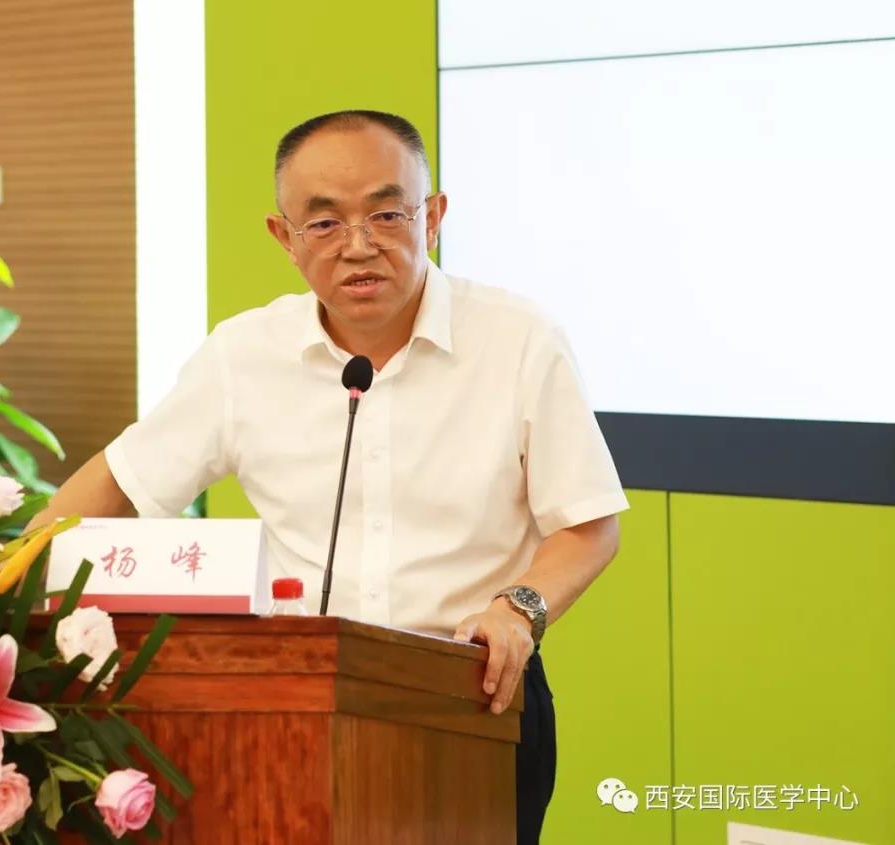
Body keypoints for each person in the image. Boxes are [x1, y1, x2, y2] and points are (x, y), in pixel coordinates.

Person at [31, 110, 628, 843]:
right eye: (323, 223)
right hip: (296, 703)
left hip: (472, 697)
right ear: (284, 238)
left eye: (386, 214)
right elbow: (118, 483)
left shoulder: (519, 339)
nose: (359, 245)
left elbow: (590, 524)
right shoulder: (244, 354)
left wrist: (518, 610)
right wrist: (6, 586)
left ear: (433, 217)